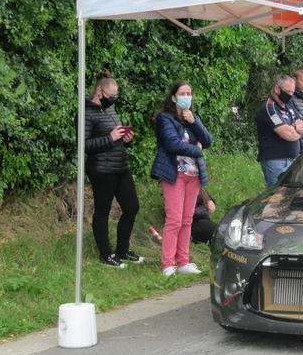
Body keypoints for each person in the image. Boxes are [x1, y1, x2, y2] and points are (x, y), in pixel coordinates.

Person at [151, 80, 213, 277]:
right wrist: (196, 149)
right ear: (173, 97)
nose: (187, 97)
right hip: (174, 173)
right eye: (182, 93)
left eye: (189, 93)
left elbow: (208, 141)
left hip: (193, 175)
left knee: (187, 220)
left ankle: (183, 262)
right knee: (174, 219)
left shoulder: (192, 117)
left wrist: (194, 121)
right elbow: (172, 144)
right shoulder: (164, 119)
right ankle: (168, 264)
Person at [84, 70, 143, 268]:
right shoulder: (86, 112)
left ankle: (123, 249)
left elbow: (117, 138)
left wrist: (126, 140)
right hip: (101, 169)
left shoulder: (111, 111)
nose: (114, 99)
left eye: (116, 96)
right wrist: (110, 138)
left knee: (132, 207)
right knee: (103, 211)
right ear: (100, 91)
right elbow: (84, 144)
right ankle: (105, 254)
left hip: (121, 166)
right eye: (111, 96)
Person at [256, 75, 303, 187]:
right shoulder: (269, 108)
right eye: (288, 91)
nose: (290, 95)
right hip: (276, 161)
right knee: (278, 197)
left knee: (293, 196)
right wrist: (297, 128)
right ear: (277, 89)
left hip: (294, 159)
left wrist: (295, 128)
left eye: (292, 92)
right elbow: (288, 134)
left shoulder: (289, 105)